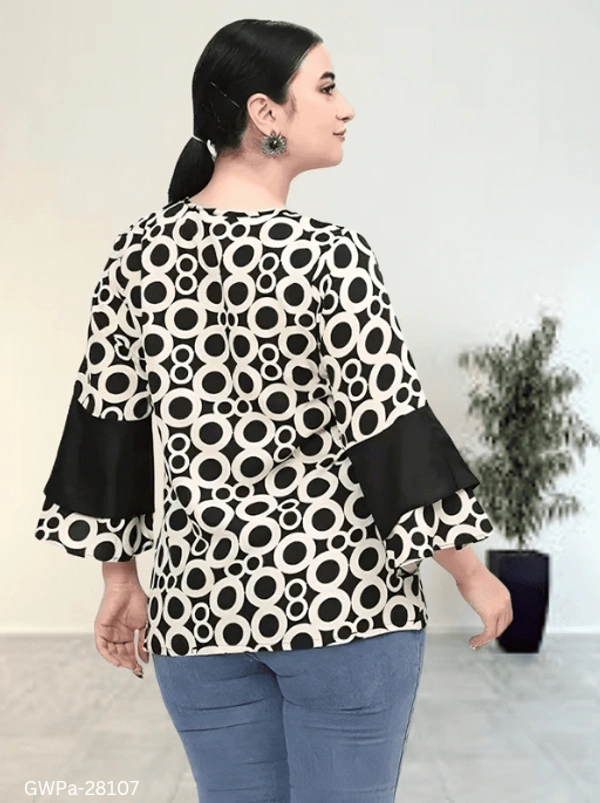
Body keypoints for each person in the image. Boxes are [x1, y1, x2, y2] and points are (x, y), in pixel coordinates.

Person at [34, 17, 512, 803]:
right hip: (346, 607)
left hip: (198, 613)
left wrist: (119, 577)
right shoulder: (331, 256)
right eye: (326, 88)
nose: (345, 107)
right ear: (265, 113)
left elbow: (105, 426)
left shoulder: (136, 255)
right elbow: (388, 424)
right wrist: (471, 571)